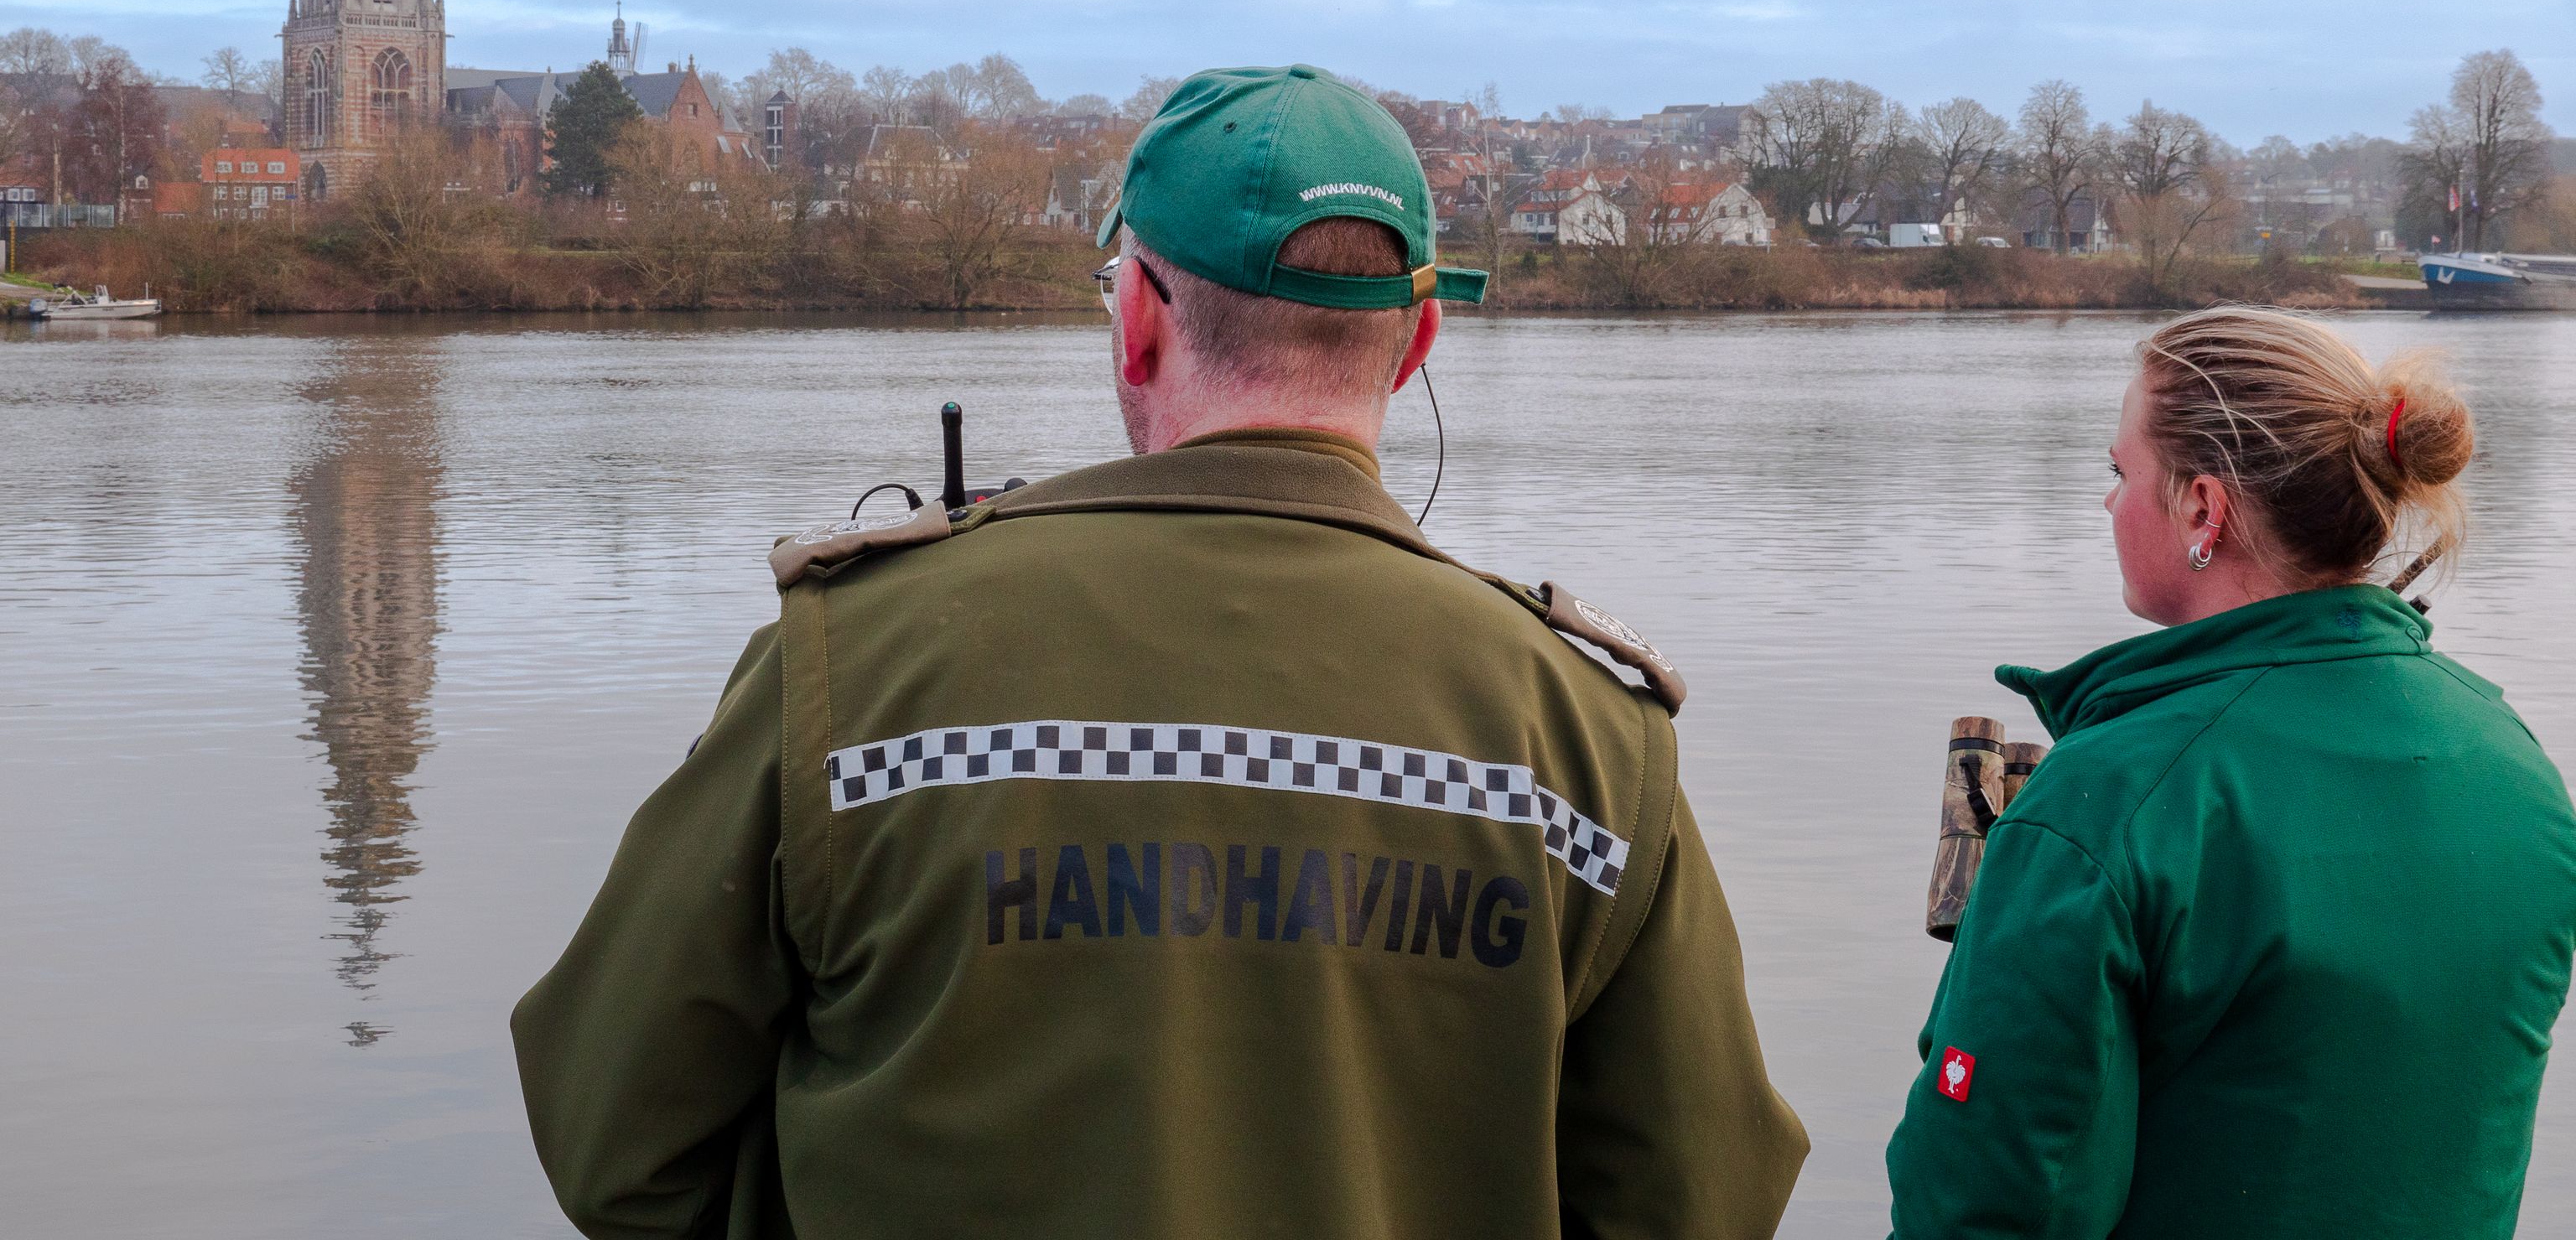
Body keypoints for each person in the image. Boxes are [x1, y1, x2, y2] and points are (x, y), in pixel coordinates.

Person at [513, 64, 1808, 1239]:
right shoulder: (1585, 742)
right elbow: (1696, 1203)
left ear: (1135, 317)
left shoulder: (850, 672)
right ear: (1415, 345)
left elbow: (620, 1142)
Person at [1886, 306, 2576, 1237]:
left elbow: (1990, 1206)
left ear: (2204, 508)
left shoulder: (2116, 798)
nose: (2108, 504)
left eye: (2120, 472)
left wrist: (2026, 906)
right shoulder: (2511, 763)